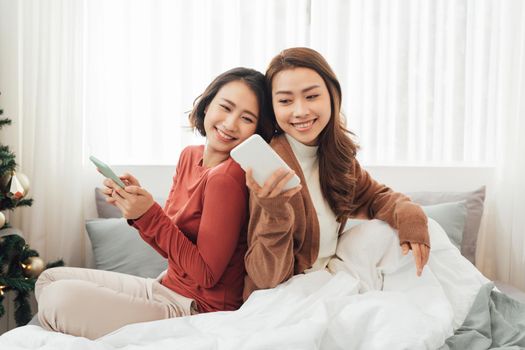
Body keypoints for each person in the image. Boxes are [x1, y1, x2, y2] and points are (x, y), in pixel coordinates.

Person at [35, 67, 273, 340]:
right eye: (226, 107)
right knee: (49, 281)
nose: (231, 124)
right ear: (207, 105)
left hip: (196, 310)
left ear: (257, 130)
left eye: (247, 118)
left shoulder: (227, 178)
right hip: (164, 287)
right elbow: (170, 248)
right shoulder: (189, 156)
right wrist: (138, 211)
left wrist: (149, 215)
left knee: (58, 299)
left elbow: (206, 275)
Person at [243, 47, 431, 300]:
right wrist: (275, 214)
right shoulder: (271, 165)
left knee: (413, 231)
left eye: (311, 97)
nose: (300, 111)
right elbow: (265, 278)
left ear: (332, 96)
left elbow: (375, 197)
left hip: (330, 277)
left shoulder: (334, 154)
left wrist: (410, 213)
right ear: (273, 108)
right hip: (288, 292)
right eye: (285, 101)